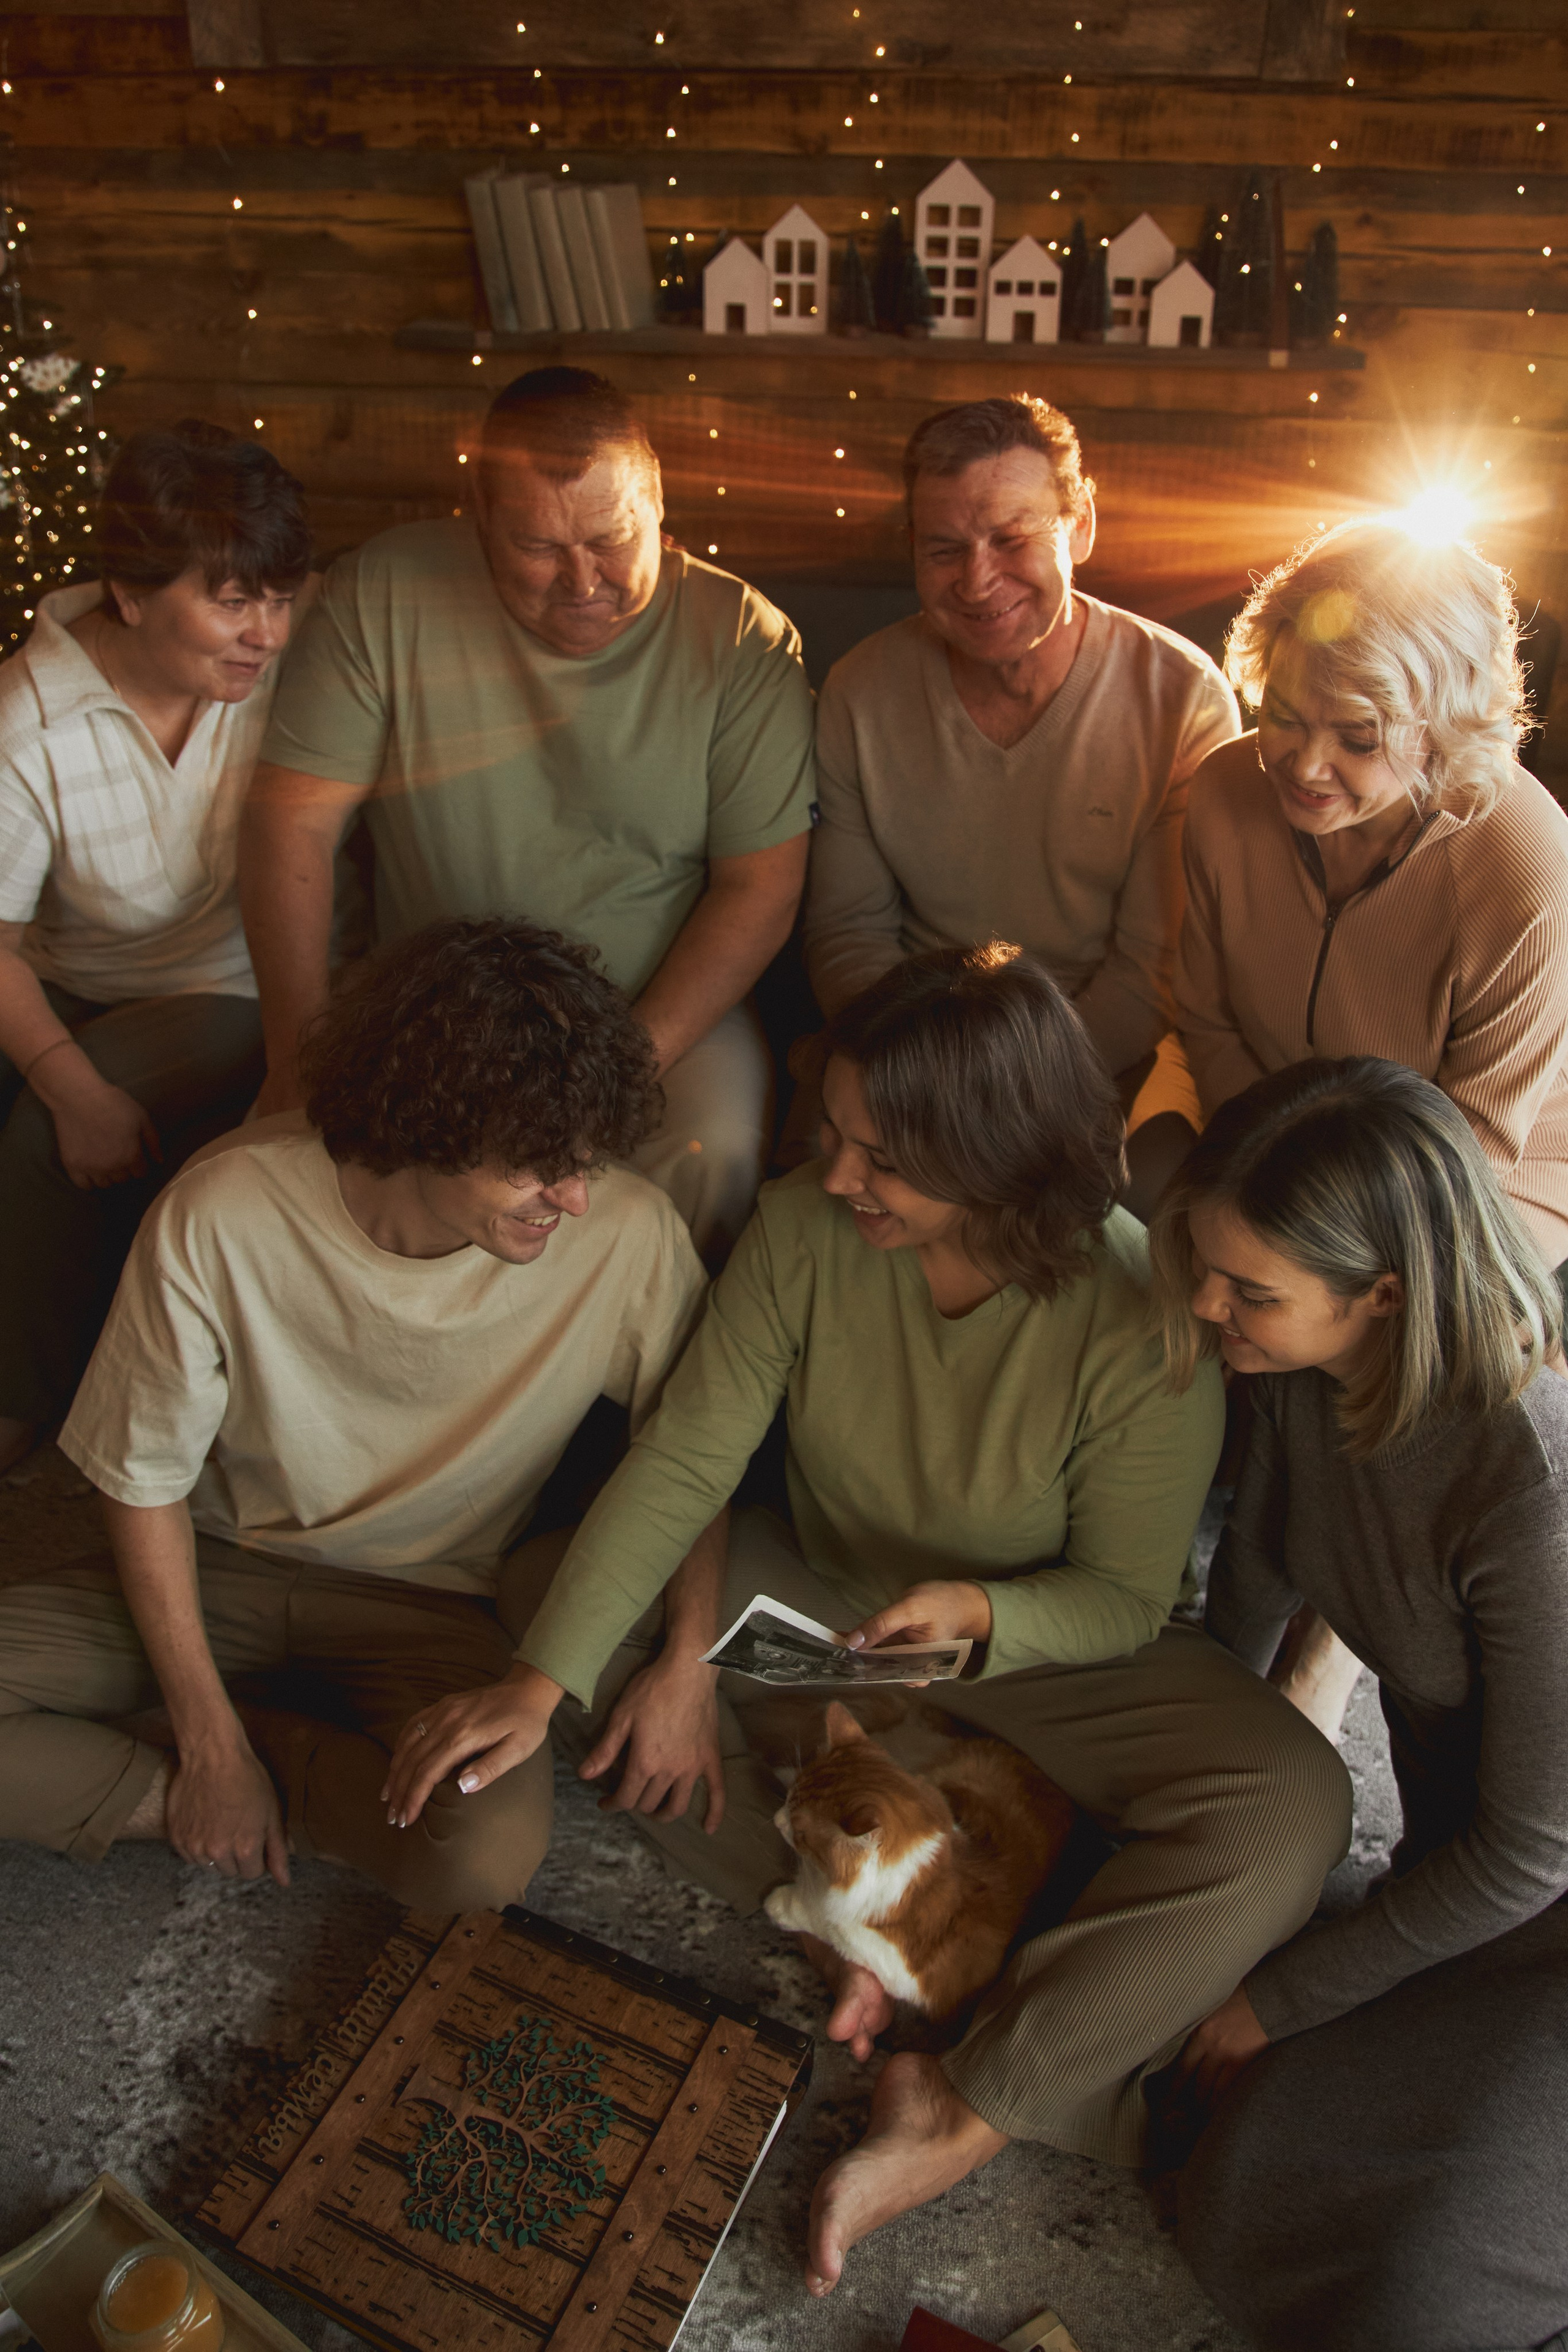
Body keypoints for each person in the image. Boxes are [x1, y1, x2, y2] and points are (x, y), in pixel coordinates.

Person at [376, 943, 1350, 2297]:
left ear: (1001, 1160)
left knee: (1293, 1806)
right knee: (553, 1600)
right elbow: (687, 1457)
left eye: (878, 1159)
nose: (839, 1180)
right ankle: (896, 1931)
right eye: (833, 1138)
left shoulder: (1142, 1315)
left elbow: (1125, 1596)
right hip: (834, 1617)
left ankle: (968, 2091)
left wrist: (983, 1612)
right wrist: (562, 1680)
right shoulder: (800, 1230)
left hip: (1045, 1648)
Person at [0, 919, 707, 1914]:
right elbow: (142, 1480)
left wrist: (689, 1655)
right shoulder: (222, 1208)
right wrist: (205, 1755)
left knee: (476, 1864)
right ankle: (206, 1768)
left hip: (432, 1607)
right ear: (426, 1121)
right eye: (538, 1166)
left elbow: (692, 1452)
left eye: (586, 1158)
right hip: (216, 1567)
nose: (578, 1198)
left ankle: (261, 1747)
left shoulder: (630, 1236)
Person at [1144, 1056, 1568, 2352]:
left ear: (1380, 1296)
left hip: (1534, 1882)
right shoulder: (1294, 1373)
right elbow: (1253, 1591)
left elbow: (1535, 1847)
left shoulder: (1526, 1482)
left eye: (1249, 1292)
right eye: (1207, 1267)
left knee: (1417, 2306)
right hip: (1466, 1875)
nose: (1209, 1306)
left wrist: (1277, 1998)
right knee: (1227, 2180)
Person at [239, 365, 816, 1262]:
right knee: (286, 1172)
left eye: (613, 538)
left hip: (653, 1009)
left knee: (718, 1152)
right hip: (425, 1008)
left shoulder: (744, 637)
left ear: (658, 498)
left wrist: (615, 1074)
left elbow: (762, 888)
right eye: (538, 548)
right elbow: (293, 825)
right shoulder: (381, 590)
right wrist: (293, 1052)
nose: (582, 580)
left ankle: (641, 1396)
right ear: (477, 514)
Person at [0, 420, 314, 1472]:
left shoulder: (285, 675)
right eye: (231, 601)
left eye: (278, 598)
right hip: (79, 986)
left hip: (254, 983)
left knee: (42, 1146)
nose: (264, 632)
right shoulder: (27, 721)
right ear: (130, 595)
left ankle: (30, 1408)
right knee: (63, 1118)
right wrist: (68, 1082)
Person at [802, 394, 1239, 1149]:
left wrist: (1006, 1096)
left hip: (1096, 1064)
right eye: (943, 549)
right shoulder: (859, 690)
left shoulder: (1183, 697)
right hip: (902, 1054)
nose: (976, 581)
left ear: (1081, 526)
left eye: (1011, 539)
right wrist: (929, 1081)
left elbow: (1153, 974)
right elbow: (849, 935)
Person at [1176, 516, 1568, 1273]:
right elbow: (1207, 1018)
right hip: (1265, 1140)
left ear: (1447, 729)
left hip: (1479, 1187)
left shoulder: (1528, 870)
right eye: (1283, 717)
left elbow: (1474, 1142)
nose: (1306, 767)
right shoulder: (1224, 792)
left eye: (1358, 739)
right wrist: (1266, 1170)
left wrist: (1307, 1223)